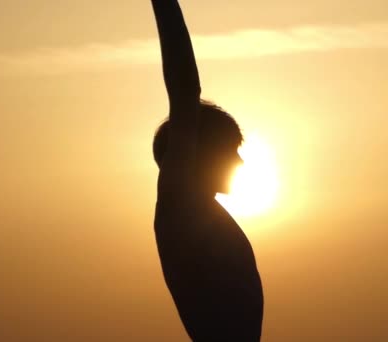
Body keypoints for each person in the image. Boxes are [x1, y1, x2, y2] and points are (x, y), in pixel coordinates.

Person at [149, 0, 264, 340]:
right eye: (230, 151)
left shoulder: (204, 211)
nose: (240, 162)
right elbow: (185, 91)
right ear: (197, 155)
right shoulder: (181, 204)